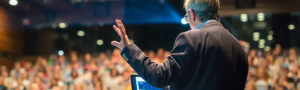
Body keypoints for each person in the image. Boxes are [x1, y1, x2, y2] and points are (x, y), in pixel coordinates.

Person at [110, 0, 248, 89]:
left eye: (187, 18)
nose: (188, 22)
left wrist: (127, 48)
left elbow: (159, 77)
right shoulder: (238, 48)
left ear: (192, 14)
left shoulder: (191, 38)